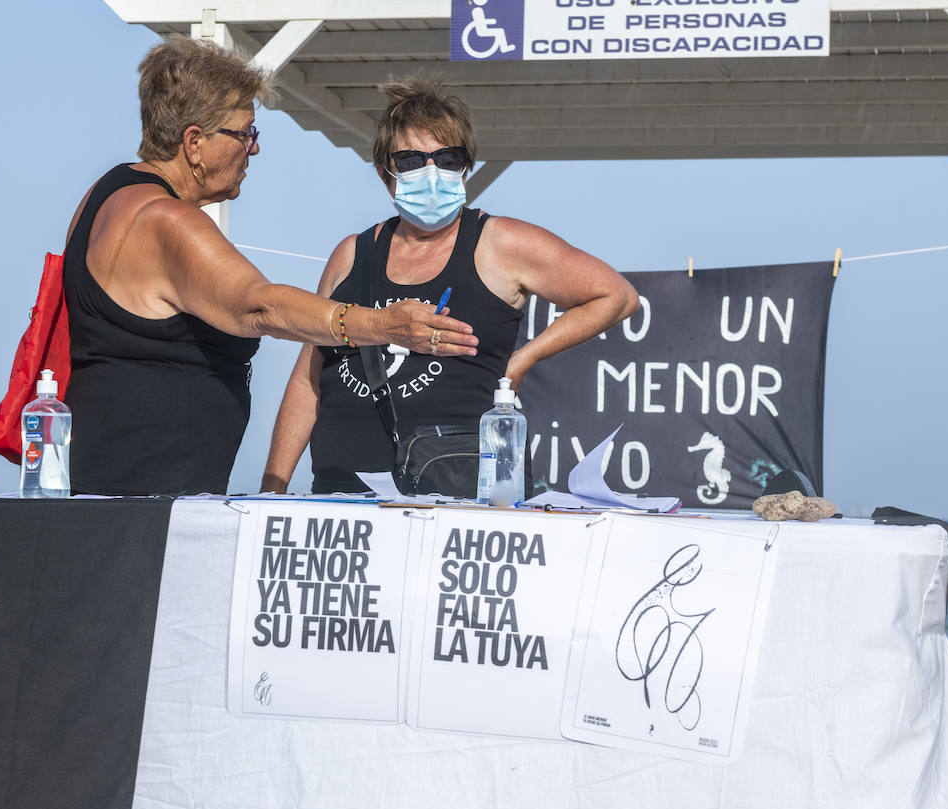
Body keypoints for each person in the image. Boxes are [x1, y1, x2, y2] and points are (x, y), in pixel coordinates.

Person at [61, 37, 478, 497]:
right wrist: (382, 325)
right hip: (147, 500)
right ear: (194, 143)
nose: (253, 149)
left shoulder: (105, 195)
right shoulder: (168, 221)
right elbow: (258, 309)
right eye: (244, 133)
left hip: (99, 476)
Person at [261, 79, 640, 494]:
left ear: (465, 167)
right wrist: (271, 488)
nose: (430, 172)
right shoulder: (352, 254)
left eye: (446, 158)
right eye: (409, 160)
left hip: (460, 505)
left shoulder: (500, 243)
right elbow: (307, 380)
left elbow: (615, 296)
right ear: (384, 172)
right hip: (341, 503)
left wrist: (522, 361)